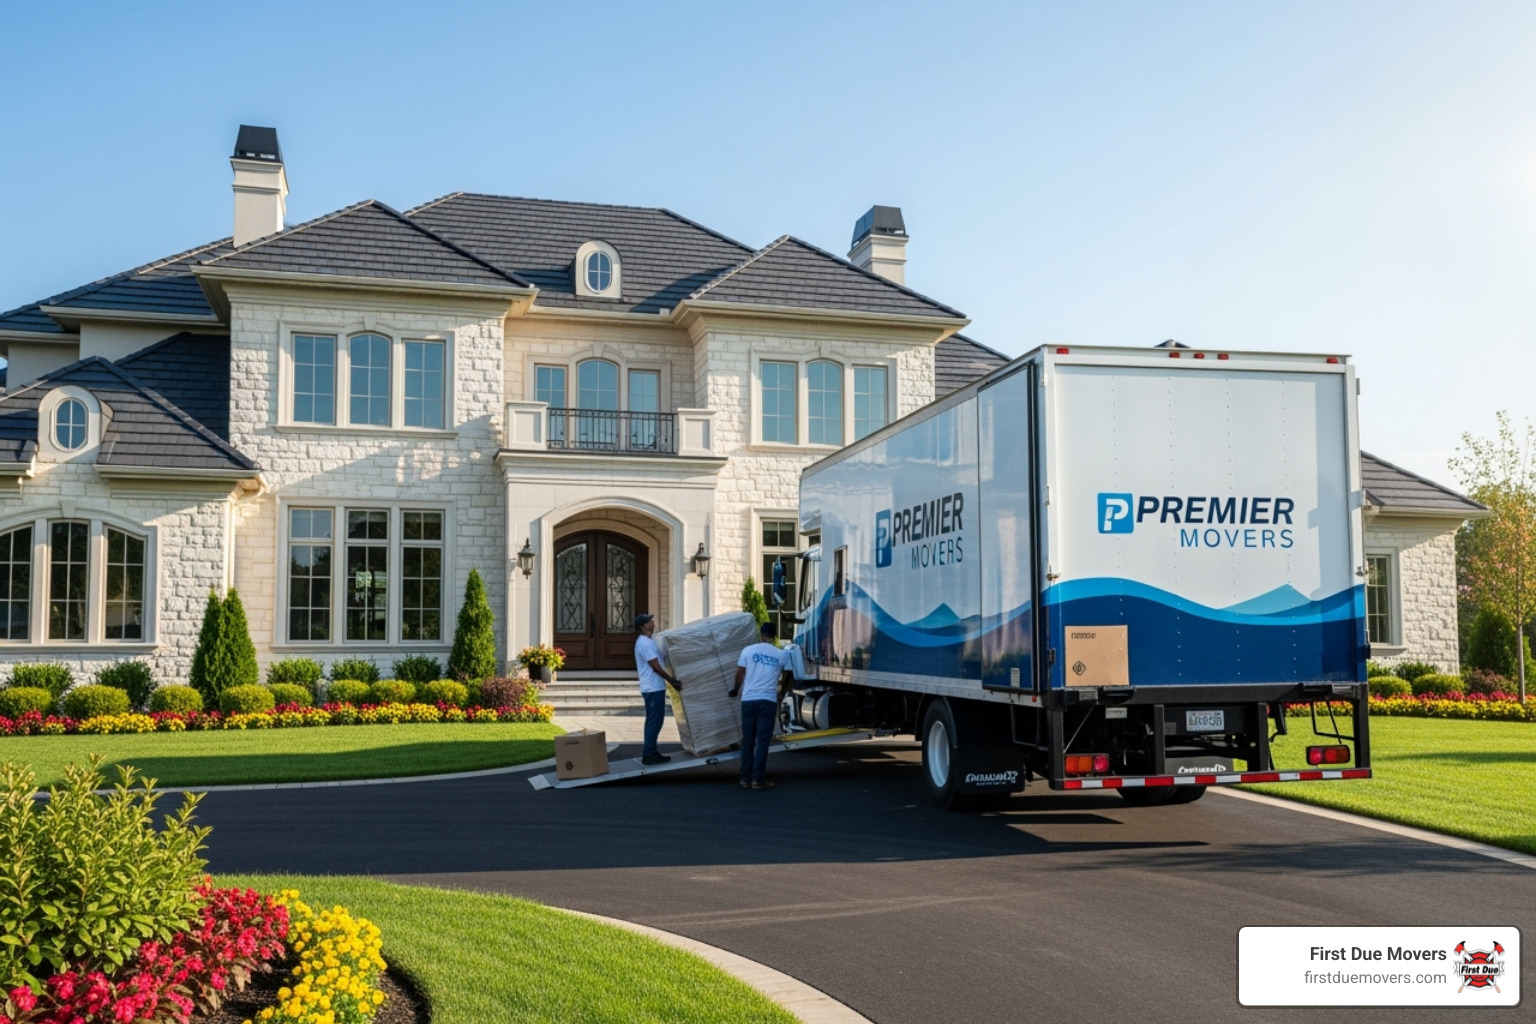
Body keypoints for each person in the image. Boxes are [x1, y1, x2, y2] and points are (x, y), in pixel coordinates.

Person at [728, 620, 795, 789]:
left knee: (748, 740)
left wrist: (735, 689)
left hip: (748, 700)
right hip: (768, 700)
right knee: (762, 741)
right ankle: (758, 779)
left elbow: (739, 672)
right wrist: (781, 692)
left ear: (761, 634)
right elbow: (788, 675)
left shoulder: (748, 650)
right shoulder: (781, 654)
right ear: (775, 636)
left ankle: (745, 778)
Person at [634, 613, 682, 765]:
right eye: (648, 622)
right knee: (654, 721)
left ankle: (652, 751)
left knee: (654, 721)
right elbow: (655, 666)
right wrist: (671, 680)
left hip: (653, 687)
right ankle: (648, 754)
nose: (652, 623)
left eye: (651, 620)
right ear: (642, 626)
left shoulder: (649, 641)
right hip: (652, 688)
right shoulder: (644, 643)